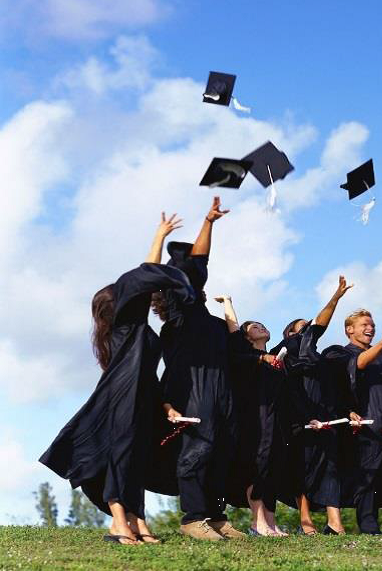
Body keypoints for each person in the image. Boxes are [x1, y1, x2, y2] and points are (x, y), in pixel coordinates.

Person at [40, 213, 192, 545]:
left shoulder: (137, 334)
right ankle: (119, 523)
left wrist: (164, 405)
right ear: (118, 306)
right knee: (121, 456)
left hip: (141, 399)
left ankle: (137, 521)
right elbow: (145, 274)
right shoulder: (126, 328)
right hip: (120, 401)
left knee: (137, 457)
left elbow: (147, 375)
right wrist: (159, 236)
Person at [154, 197, 244, 541]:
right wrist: (208, 223)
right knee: (198, 449)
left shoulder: (211, 324)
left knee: (222, 449)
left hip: (222, 390)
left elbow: (236, 351)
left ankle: (215, 516)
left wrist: (231, 313)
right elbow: (197, 262)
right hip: (191, 389)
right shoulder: (179, 317)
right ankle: (193, 518)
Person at [322, 309, 382, 535]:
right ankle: (369, 526)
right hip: (365, 425)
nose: (371, 329)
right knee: (367, 479)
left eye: (373, 325)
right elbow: (358, 364)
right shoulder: (341, 354)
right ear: (349, 329)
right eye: (365, 324)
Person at [272, 276, 354, 535]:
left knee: (330, 466)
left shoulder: (318, 358)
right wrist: (335, 297)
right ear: (291, 333)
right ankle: (306, 522)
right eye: (303, 326)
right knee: (301, 466)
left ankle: (335, 523)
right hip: (298, 414)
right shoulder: (284, 350)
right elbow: (320, 322)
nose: (309, 328)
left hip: (324, 414)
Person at [216, 296, 289, 536]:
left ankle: (271, 522)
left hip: (275, 418)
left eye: (263, 325)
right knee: (256, 466)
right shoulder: (243, 351)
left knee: (274, 468)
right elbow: (234, 327)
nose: (261, 327)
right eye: (254, 326)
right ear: (248, 336)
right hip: (252, 418)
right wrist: (227, 302)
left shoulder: (277, 359)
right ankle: (257, 522)